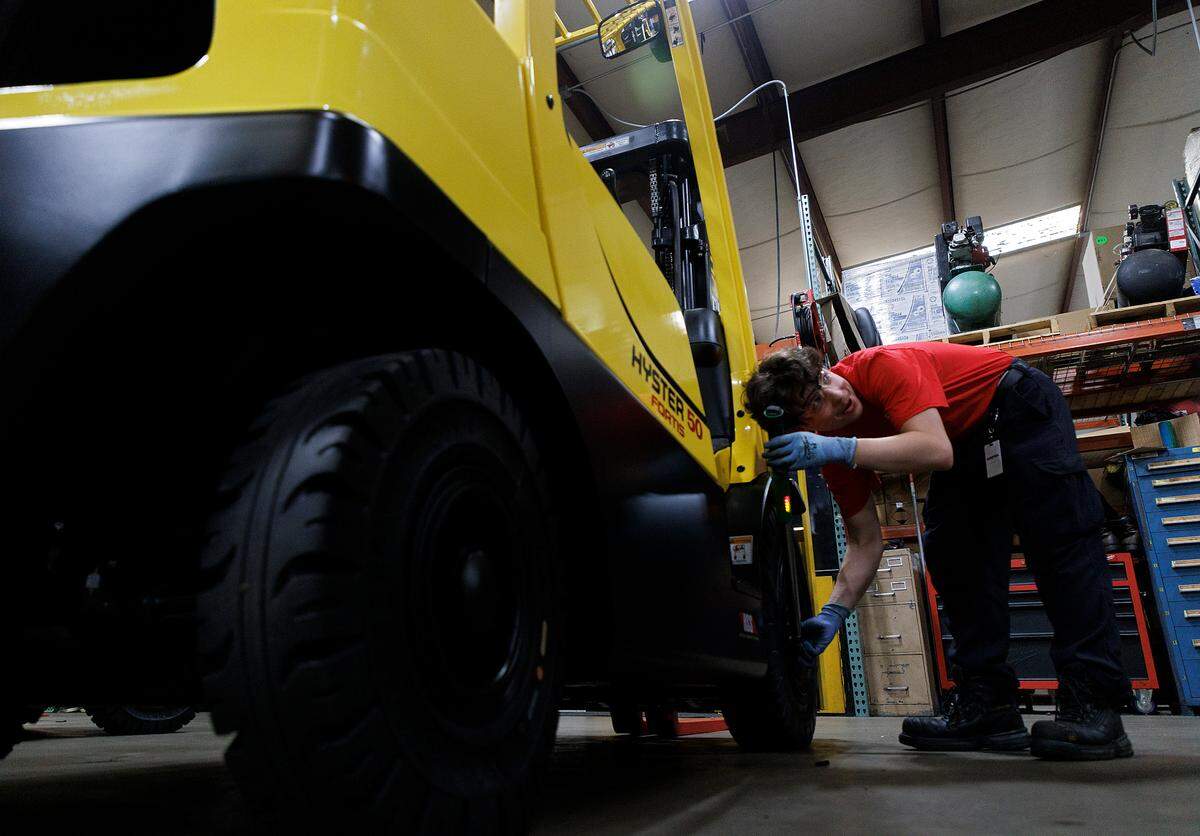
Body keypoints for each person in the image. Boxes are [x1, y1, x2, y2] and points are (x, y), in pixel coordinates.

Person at [743, 342, 1132, 761]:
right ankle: (989, 707)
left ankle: (1095, 703)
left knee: (1061, 544)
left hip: (1016, 404)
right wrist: (834, 612)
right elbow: (864, 541)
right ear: (805, 427)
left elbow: (934, 449)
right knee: (953, 554)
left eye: (823, 379)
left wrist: (841, 448)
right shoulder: (831, 449)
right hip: (966, 438)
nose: (837, 394)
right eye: (816, 402)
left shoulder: (879, 367)